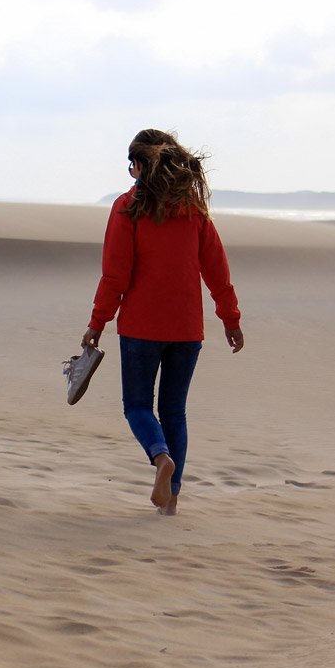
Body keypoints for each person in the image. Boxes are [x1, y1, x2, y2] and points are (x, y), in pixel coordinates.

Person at [81, 129, 244, 515]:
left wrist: (97, 322)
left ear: (142, 165)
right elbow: (217, 271)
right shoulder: (194, 211)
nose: (129, 172)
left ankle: (160, 459)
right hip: (187, 330)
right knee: (174, 411)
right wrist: (230, 318)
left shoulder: (128, 207)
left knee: (137, 406)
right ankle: (170, 501)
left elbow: (115, 276)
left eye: (131, 164)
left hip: (140, 327)